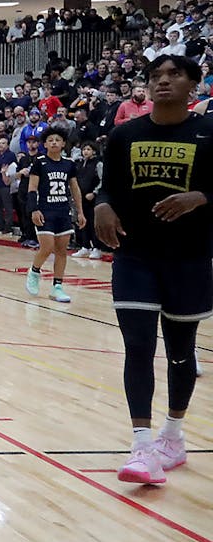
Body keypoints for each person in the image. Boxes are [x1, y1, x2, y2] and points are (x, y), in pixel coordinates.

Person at [94, 55, 213, 486]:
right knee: (139, 347)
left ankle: (173, 436)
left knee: (181, 351)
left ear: (192, 86)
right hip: (135, 255)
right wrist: (102, 205)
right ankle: (142, 444)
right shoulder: (126, 135)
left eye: (174, 75)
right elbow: (109, 185)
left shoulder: (208, 133)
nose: (163, 81)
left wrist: (199, 197)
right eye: (156, 76)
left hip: (190, 257)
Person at [24, 126, 84, 303]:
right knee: (47, 247)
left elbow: (75, 189)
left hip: (63, 210)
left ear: (64, 143)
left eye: (57, 140)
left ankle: (57, 287)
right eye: (50, 140)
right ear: (45, 144)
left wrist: (80, 211)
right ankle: (34, 271)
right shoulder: (39, 162)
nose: (54, 142)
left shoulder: (69, 164)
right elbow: (32, 189)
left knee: (61, 250)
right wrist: (34, 209)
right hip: (44, 210)